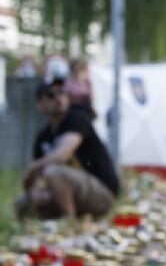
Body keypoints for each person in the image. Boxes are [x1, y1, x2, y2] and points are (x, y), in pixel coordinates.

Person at [16, 79, 120, 222]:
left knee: (53, 171)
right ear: (39, 104)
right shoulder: (42, 137)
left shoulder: (77, 119)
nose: (58, 98)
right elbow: (35, 182)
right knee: (22, 202)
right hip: (69, 194)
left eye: (62, 92)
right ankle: (37, 232)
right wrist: (35, 192)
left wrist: (34, 166)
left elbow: (61, 156)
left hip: (102, 193)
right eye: (51, 95)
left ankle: (69, 225)